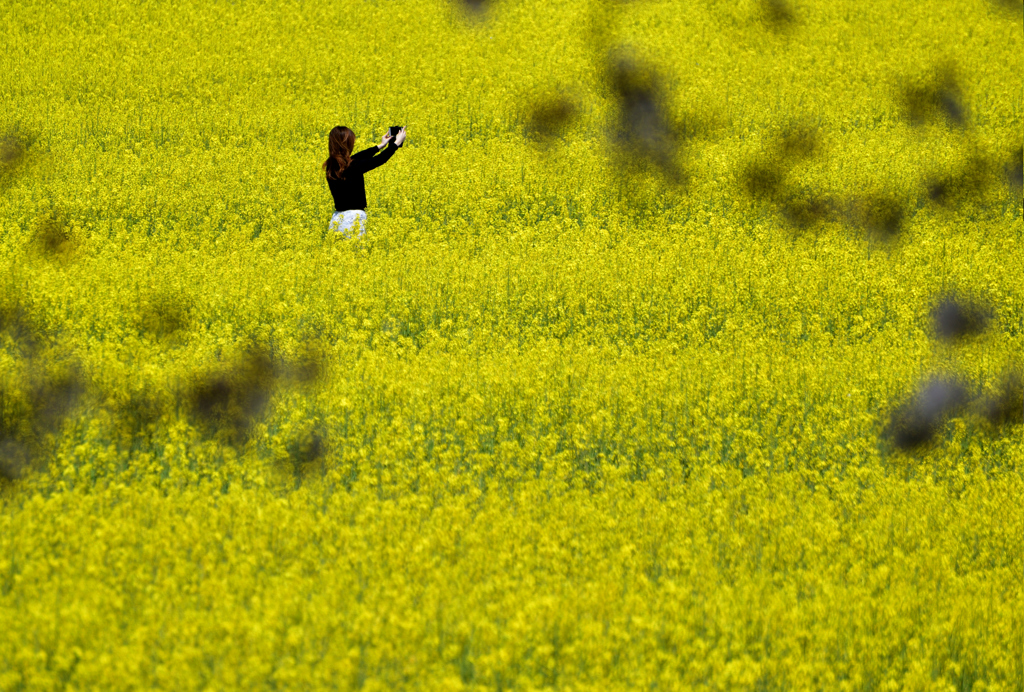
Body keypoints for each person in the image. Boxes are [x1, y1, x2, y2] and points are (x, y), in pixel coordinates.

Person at [323, 125, 406, 237]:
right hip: (353, 220)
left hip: (337, 220)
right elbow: (379, 160)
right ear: (345, 144)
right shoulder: (353, 166)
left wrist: (380, 146)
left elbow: (357, 157)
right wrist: (396, 144)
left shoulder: (331, 166)